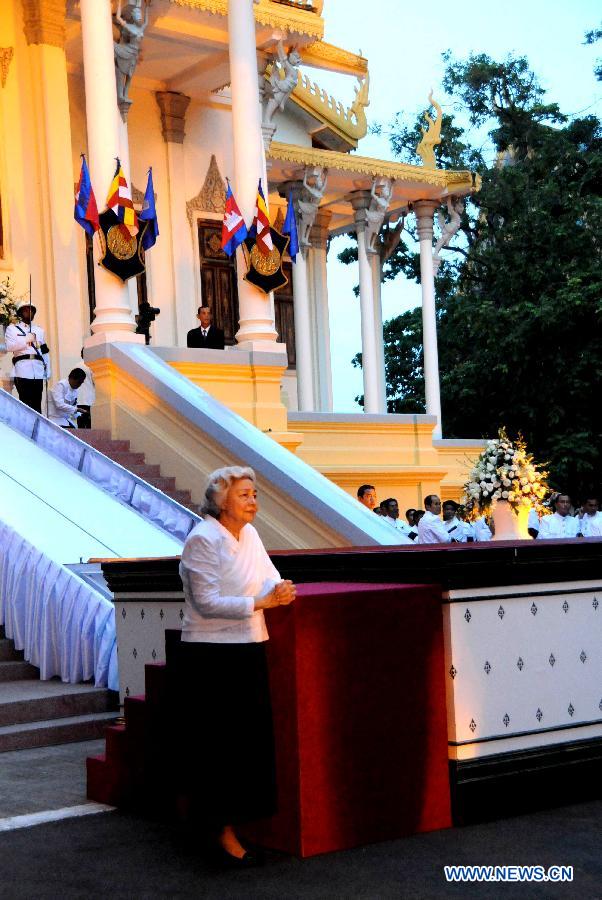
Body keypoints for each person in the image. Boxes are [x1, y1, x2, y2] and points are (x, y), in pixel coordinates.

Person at [175, 466, 296, 867]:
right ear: (220, 501)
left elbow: (267, 576)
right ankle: (215, 832)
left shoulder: (252, 535)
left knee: (247, 742)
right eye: (244, 495)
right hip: (211, 655)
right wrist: (263, 602)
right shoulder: (202, 539)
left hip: (248, 645)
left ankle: (236, 824)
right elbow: (206, 601)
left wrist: (279, 589)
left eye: (255, 494)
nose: (253, 501)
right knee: (219, 746)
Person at [4, 301, 51, 412]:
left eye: (31, 310)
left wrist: (48, 369)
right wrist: (26, 340)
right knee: (26, 403)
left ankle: (36, 428)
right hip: (22, 369)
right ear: (20, 313)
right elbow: (9, 347)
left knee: (37, 404)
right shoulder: (12, 329)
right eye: (26, 310)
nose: (29, 312)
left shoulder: (39, 330)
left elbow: (44, 351)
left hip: (38, 370)